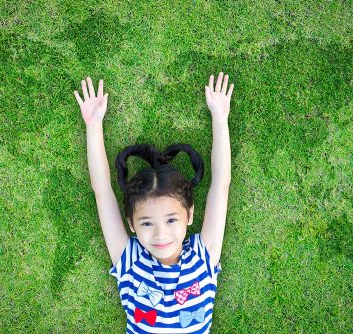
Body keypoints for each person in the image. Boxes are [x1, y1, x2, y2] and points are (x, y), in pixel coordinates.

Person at [74, 72, 233, 333]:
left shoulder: (203, 257)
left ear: (189, 215)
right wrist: (93, 126)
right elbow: (102, 191)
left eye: (171, 219)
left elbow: (221, 186)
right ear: (132, 225)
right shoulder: (130, 261)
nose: (161, 234)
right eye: (147, 223)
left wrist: (220, 118)